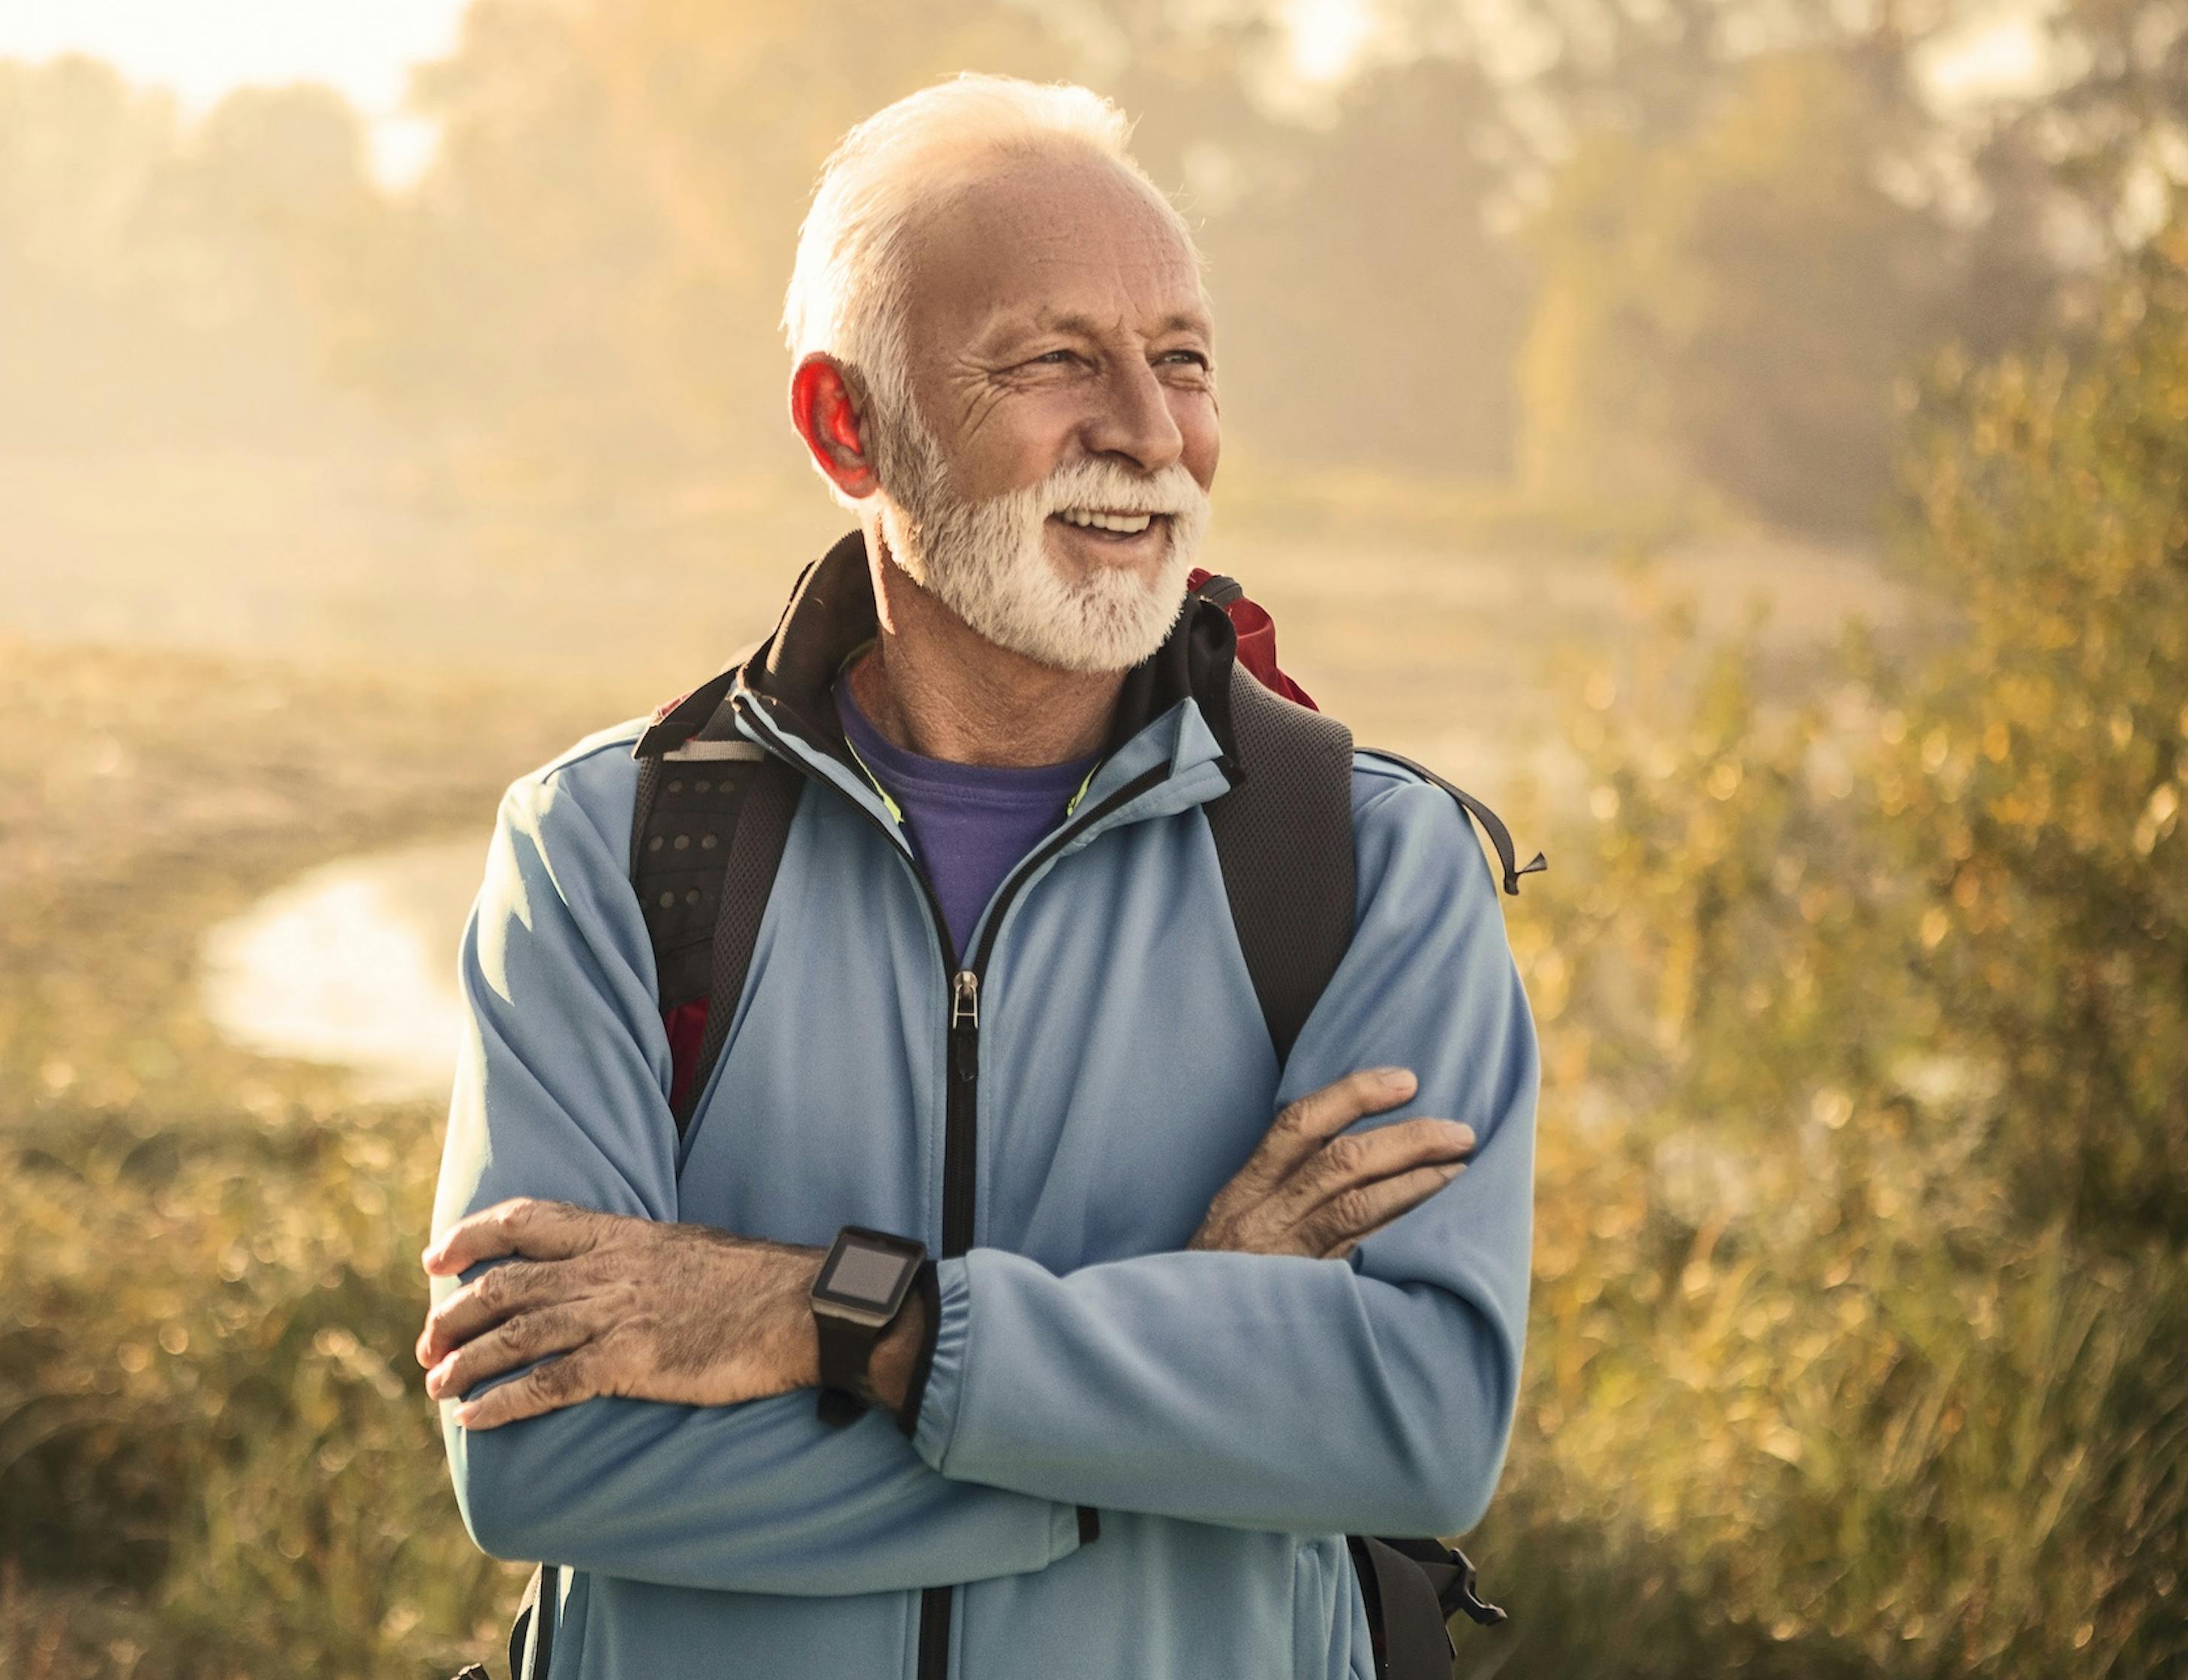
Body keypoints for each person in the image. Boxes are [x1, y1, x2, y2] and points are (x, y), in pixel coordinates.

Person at [414, 74, 1537, 1680]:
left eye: (1184, 362)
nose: (1150, 434)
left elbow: (1418, 1423)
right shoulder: (604, 855)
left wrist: (830, 1316)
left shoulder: (1372, 866)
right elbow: (542, 1462)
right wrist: (1164, 1407)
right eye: (1058, 359)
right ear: (843, 425)